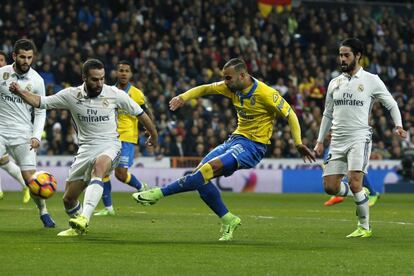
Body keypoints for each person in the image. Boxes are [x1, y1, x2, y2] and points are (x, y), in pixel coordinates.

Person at [133, 58, 315, 241]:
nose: (225, 83)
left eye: (228, 78)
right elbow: (206, 88)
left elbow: (290, 114)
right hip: (235, 139)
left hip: (254, 146)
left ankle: (159, 193)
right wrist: (183, 97)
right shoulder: (231, 87)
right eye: (224, 79)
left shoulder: (266, 93)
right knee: (199, 177)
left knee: (205, 171)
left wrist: (298, 143)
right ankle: (229, 219)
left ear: (243, 75)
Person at [9, 59, 158, 236]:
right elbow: (41, 102)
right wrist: (19, 92)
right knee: (68, 199)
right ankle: (79, 227)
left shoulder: (115, 94)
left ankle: (84, 218)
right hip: (86, 149)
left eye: (102, 78)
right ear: (84, 78)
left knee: (99, 167)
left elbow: (140, 113)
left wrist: (153, 135)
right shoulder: (71, 95)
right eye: (95, 79)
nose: (100, 83)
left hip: (110, 144)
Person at [313, 38, 406, 238]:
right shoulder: (334, 83)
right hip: (336, 140)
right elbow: (327, 114)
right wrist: (320, 141)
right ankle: (362, 194)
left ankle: (364, 227)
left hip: (359, 137)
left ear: (358, 56)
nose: (342, 59)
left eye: (346, 55)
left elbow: (391, 103)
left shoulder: (371, 80)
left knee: (355, 182)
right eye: (340, 55)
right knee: (330, 187)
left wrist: (398, 125)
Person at [0, 39, 54, 227]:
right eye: (22, 57)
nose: (26, 61)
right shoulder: (2, 74)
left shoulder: (37, 81)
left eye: (29, 57)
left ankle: (43, 211)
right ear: (14, 56)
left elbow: (40, 111)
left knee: (31, 179)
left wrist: (36, 136)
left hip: (23, 133)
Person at [94, 60, 153, 216]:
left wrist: (149, 129)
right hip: (109, 137)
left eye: (127, 71)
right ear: (116, 72)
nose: (124, 73)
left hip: (127, 137)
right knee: (103, 171)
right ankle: (108, 209)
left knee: (120, 174)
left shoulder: (137, 94)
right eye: (121, 70)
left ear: (131, 74)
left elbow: (146, 113)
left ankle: (141, 188)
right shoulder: (108, 91)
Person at [0, 49, 30, 203]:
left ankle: (27, 186)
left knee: (4, 162)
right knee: (3, 162)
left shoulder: (17, 81)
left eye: (0, 61)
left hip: (17, 129)